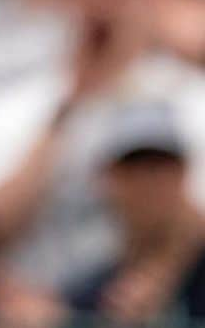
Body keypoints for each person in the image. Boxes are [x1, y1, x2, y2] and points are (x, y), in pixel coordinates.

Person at [0, 0, 205, 297]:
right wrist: (72, 105)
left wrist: (153, 280)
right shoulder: (10, 99)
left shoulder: (191, 96)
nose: (103, 0)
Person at [66, 100, 205, 324]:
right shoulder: (95, 288)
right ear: (109, 177)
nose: (149, 182)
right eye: (133, 167)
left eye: (162, 165)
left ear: (184, 171)